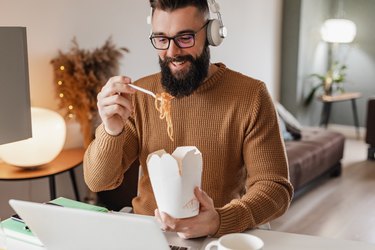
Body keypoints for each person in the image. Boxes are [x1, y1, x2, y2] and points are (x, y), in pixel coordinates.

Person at [83, 0, 293, 239]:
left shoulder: (251, 95)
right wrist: (110, 130)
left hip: (221, 236)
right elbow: (98, 181)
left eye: (185, 38)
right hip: (150, 235)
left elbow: (275, 188)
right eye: (161, 39)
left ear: (212, 34)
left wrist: (220, 220)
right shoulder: (139, 95)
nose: (172, 52)